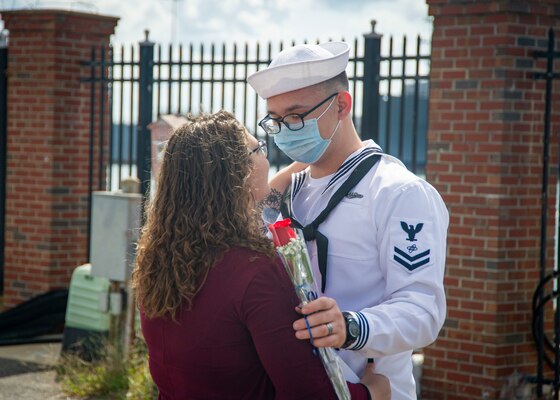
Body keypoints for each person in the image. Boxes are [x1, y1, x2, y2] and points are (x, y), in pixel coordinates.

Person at [132, 111, 390, 400]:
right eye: (260, 149)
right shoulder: (254, 270)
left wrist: (318, 155)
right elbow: (307, 392)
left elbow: (267, 195)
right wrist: (373, 392)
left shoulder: (159, 260)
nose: (266, 158)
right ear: (237, 174)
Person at [248, 42, 449, 399]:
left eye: (295, 117)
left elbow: (423, 311)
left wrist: (352, 326)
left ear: (342, 105)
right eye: (275, 120)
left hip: (377, 389)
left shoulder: (399, 193)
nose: (285, 130)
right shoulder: (287, 193)